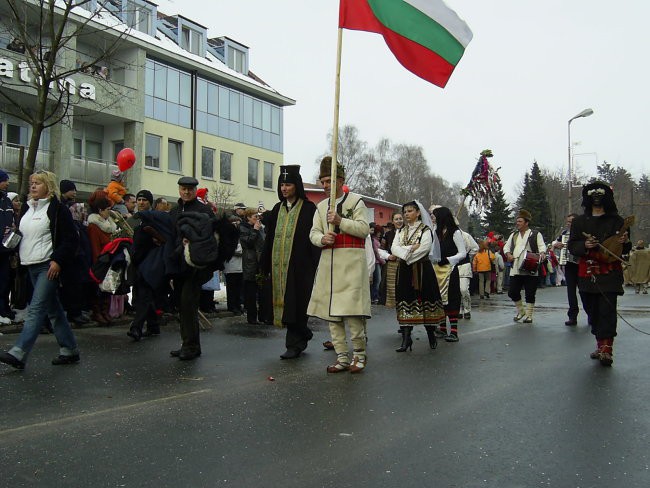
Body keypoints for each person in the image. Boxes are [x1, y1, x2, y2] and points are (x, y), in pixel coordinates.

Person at [0, 171, 80, 370]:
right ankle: (69, 349)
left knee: (36, 308)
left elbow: (71, 239)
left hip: (48, 265)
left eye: (37, 183)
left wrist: (58, 261)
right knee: (53, 309)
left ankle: (18, 353)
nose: (33, 186)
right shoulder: (27, 207)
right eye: (31, 183)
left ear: (48, 186)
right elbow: (22, 234)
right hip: (29, 264)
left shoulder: (58, 209)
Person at [308, 157, 371, 374]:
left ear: (340, 180)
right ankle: (342, 356)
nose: (325, 185)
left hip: (351, 263)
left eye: (329, 181)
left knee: (352, 313)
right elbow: (313, 233)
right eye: (322, 181)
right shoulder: (321, 206)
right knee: (331, 314)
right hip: (329, 264)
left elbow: (364, 229)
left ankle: (359, 355)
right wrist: (321, 239)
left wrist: (340, 221)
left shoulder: (356, 202)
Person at [166, 176, 237, 361]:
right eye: (183, 189)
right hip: (179, 265)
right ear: (179, 190)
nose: (186, 192)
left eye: (190, 189)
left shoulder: (203, 210)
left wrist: (195, 242)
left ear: (195, 190)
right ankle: (188, 343)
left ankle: (190, 346)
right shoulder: (174, 211)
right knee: (182, 305)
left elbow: (214, 237)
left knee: (188, 303)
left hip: (196, 267)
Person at [568, 182, 631, 366]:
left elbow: (626, 246)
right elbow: (572, 245)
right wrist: (584, 246)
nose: (596, 197)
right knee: (592, 310)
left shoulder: (618, 221)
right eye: (593, 194)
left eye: (600, 194)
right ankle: (600, 342)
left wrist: (624, 241)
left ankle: (607, 348)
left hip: (610, 273)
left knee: (607, 310)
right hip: (587, 273)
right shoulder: (579, 222)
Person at [260, 165, 320, 358]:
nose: (284, 188)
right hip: (279, 269)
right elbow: (269, 239)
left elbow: (314, 238)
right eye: (281, 184)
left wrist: (316, 266)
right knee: (286, 305)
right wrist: (264, 265)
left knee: (298, 305)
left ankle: (294, 344)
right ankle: (303, 334)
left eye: (288, 184)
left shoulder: (309, 209)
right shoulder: (277, 209)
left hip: (301, 268)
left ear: (297, 186)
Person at [391, 200, 445, 351]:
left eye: (410, 211)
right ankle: (406, 339)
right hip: (404, 270)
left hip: (422, 269)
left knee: (425, 299)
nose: (407, 214)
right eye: (405, 212)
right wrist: (409, 250)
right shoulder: (401, 231)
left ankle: (431, 334)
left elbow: (425, 248)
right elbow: (394, 248)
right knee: (405, 300)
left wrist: (406, 254)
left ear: (418, 212)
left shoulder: (425, 230)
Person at [127, 189, 172, 341]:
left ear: (150, 202)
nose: (141, 202)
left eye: (144, 200)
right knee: (141, 294)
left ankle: (136, 328)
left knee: (144, 296)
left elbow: (165, 236)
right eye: (139, 200)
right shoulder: (137, 219)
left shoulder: (155, 219)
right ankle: (153, 326)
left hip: (151, 262)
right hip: (138, 261)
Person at [431, 206, 466, 342]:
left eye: (435, 215)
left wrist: (448, 259)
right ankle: (443, 328)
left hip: (450, 270)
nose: (433, 218)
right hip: (437, 270)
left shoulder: (455, 232)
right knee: (439, 299)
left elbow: (462, 253)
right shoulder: (436, 231)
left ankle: (454, 331)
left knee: (451, 298)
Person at [504, 209, 546, 323]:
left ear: (526, 223)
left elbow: (542, 247)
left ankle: (529, 315)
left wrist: (542, 254)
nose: (517, 223)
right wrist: (508, 254)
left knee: (530, 292)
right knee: (512, 292)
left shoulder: (535, 234)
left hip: (530, 267)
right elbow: (506, 248)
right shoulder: (514, 235)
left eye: (520, 221)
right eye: (517, 221)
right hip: (516, 267)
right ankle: (521, 310)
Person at [87, 190, 117, 325]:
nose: (109, 212)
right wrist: (97, 264)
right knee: (98, 289)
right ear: (100, 210)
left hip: (110, 259)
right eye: (107, 209)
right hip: (100, 261)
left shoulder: (109, 225)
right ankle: (97, 312)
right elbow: (95, 247)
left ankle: (105, 311)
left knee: (108, 288)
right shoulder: (94, 226)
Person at [552, 213, 581, 325]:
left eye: (571, 222)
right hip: (569, 264)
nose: (569, 224)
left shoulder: (583, 233)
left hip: (581, 264)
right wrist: (557, 244)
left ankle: (591, 314)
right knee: (571, 291)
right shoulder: (565, 233)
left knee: (584, 291)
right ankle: (572, 316)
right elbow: (555, 242)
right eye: (568, 222)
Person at [239, 208, 265, 324]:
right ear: (248, 217)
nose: (257, 219)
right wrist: (254, 231)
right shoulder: (243, 227)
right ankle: (252, 317)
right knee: (250, 291)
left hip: (260, 261)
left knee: (262, 290)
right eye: (255, 216)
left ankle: (263, 316)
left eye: (258, 217)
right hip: (250, 261)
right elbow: (248, 243)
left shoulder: (260, 228)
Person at [378, 213, 403, 308]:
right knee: (390, 285)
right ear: (393, 221)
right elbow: (380, 249)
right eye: (396, 219)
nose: (399, 221)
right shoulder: (388, 234)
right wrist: (388, 256)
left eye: (400, 218)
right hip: (392, 264)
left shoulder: (408, 232)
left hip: (405, 263)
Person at [457, 224, 479, 320]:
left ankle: (467, 309)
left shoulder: (466, 235)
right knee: (455, 291)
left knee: (464, 289)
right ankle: (458, 310)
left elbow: (475, 248)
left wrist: (467, 255)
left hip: (464, 265)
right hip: (451, 265)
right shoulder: (446, 235)